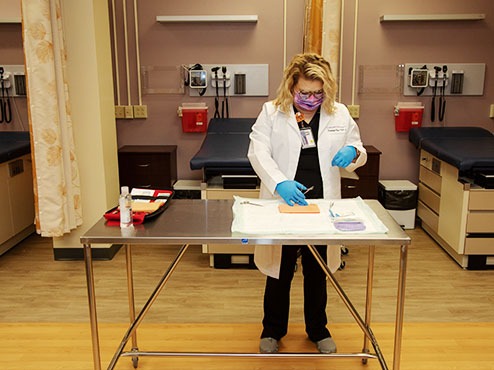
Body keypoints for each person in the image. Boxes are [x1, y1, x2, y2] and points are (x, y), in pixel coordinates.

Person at [247, 53, 367, 354]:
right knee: (280, 270)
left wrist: (352, 152)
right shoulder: (272, 112)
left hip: (322, 204)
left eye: (317, 92)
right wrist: (279, 183)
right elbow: (257, 151)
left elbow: (359, 147)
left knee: (317, 270)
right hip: (284, 200)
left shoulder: (338, 113)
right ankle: (273, 330)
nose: (311, 98)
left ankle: (317, 329)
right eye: (305, 92)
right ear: (291, 87)